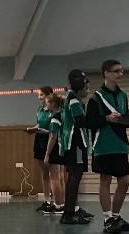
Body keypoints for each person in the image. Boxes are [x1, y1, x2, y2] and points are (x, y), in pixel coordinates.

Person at [85, 59, 129, 233]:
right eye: (116, 71)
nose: (120, 74)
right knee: (105, 180)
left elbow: (122, 116)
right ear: (106, 73)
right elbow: (89, 122)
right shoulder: (96, 97)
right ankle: (108, 218)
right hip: (103, 144)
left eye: (121, 71)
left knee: (125, 181)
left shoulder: (122, 95)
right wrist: (106, 119)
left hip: (120, 144)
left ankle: (116, 215)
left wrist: (128, 121)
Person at [60, 69, 93, 224]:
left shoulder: (74, 98)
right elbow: (79, 121)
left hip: (71, 142)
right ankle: (69, 212)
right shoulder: (73, 98)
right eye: (85, 84)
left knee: (73, 176)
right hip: (76, 142)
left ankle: (69, 211)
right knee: (75, 176)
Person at [31, 86, 56, 211]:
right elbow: (39, 124)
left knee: (55, 174)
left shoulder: (55, 111)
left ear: (49, 95)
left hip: (51, 141)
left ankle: (58, 201)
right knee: (44, 173)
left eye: (41, 95)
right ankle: (47, 200)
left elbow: (55, 130)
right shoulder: (39, 109)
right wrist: (34, 129)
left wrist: (44, 131)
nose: (39, 97)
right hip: (39, 141)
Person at [43, 93, 67, 214]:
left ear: (52, 104)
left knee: (55, 178)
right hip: (64, 149)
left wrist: (47, 154)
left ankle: (58, 205)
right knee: (61, 177)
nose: (46, 106)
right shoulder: (64, 114)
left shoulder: (55, 117)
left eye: (47, 103)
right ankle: (62, 202)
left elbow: (53, 137)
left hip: (57, 149)